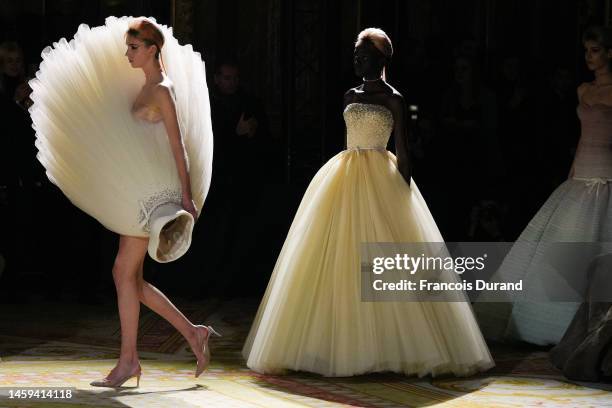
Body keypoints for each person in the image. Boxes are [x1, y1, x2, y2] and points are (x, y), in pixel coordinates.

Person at [242, 28, 494, 377]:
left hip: (380, 175)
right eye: (355, 54)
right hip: (344, 174)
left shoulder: (394, 98)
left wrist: (403, 198)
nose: (357, 60)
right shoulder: (348, 95)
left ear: (381, 59)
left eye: (363, 55)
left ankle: (392, 347)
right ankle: (326, 344)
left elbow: (403, 151)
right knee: (335, 254)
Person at [29, 16, 218, 387]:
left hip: (155, 192)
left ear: (152, 49)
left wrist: (185, 194)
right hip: (143, 187)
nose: (127, 54)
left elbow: (178, 144)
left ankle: (132, 359)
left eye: (134, 48)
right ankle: (189, 334)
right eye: (127, 47)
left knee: (123, 274)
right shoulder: (148, 84)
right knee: (127, 276)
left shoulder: (162, 88)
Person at [474, 26, 612, 347]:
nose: (589, 57)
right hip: (580, 178)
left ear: (610, 52)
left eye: (594, 50)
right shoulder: (583, 90)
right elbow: (581, 138)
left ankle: (592, 334)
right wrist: (572, 175)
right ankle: (550, 327)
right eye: (586, 50)